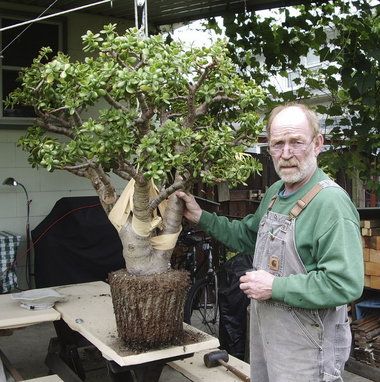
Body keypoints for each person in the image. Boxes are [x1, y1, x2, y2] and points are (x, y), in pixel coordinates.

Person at [176, 103, 364, 382]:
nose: (286, 154)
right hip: (269, 336)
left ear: (317, 144)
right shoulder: (276, 193)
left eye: (296, 142)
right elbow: (247, 235)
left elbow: (344, 283)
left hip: (308, 346)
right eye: (278, 144)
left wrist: (275, 286)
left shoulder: (330, 204)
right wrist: (201, 217)